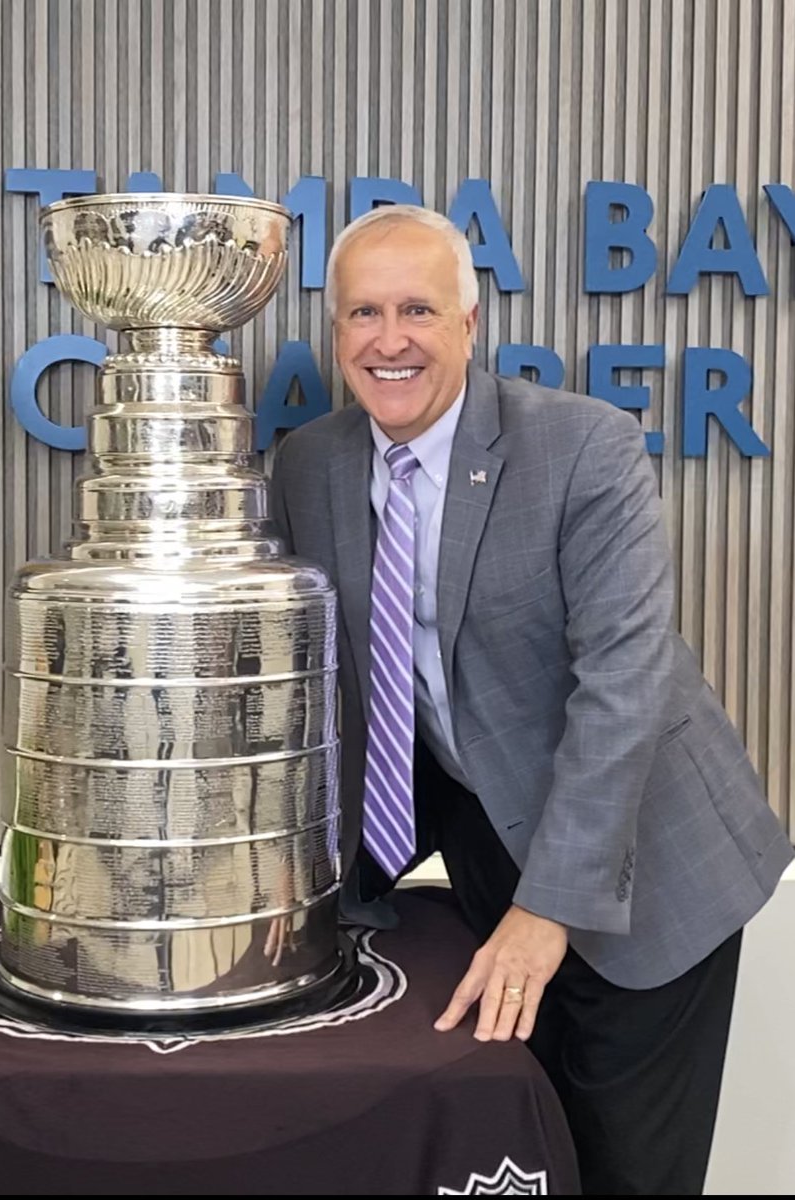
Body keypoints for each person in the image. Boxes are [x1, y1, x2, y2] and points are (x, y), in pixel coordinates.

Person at [269, 204, 793, 1196]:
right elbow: (344, 683)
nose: (388, 341)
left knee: (624, 1170)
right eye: (361, 314)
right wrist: (319, 878)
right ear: (331, 331)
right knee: (514, 1158)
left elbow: (622, 682)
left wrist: (544, 911)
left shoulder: (581, 447)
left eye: (417, 309)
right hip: (489, 845)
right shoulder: (310, 463)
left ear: (470, 325)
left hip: (650, 860)